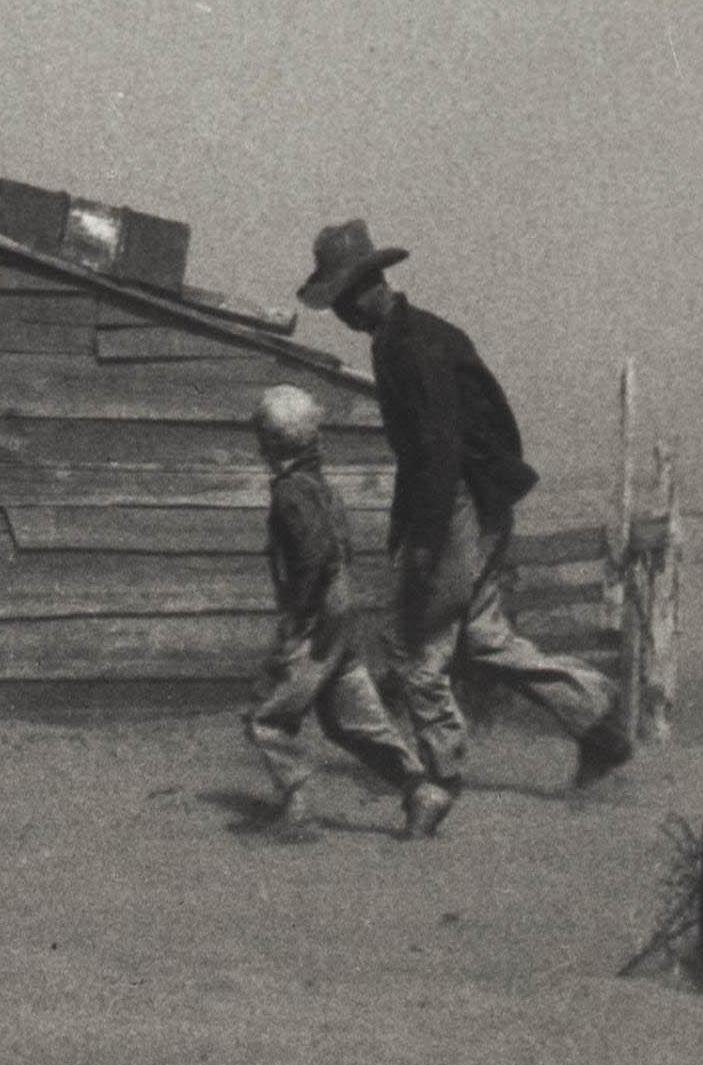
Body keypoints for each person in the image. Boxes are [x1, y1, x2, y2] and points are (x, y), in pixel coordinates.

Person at [296, 220, 631, 837]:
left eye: (342, 300)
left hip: (456, 503)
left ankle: (440, 779)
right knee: (483, 639)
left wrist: (424, 546)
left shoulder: (410, 346)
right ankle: (598, 719)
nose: (340, 315)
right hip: (474, 499)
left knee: (414, 645)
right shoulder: (410, 335)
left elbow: (438, 449)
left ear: (366, 287)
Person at [242, 384, 439, 837]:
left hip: (319, 615)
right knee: (352, 719)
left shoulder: (290, 491)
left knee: (267, 716)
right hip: (343, 611)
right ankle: (420, 790)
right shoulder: (323, 487)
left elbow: (313, 555)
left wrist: (298, 617)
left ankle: (297, 809)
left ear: (270, 442)